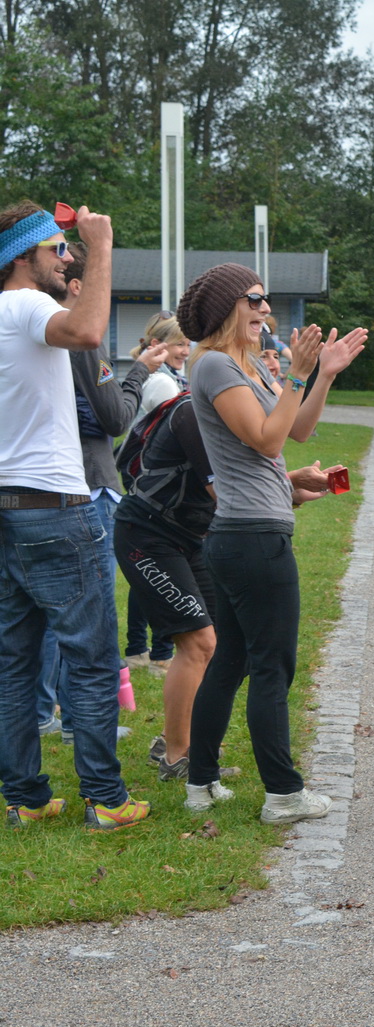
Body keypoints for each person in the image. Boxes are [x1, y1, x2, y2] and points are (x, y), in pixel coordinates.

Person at [180, 262, 368, 825]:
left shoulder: (244, 365)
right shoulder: (214, 364)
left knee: (233, 660)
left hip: (249, 534)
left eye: (266, 299)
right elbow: (266, 441)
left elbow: (296, 430)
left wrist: (322, 375)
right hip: (252, 539)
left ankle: (201, 782)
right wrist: (297, 373)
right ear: (227, 307)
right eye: (255, 299)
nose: (266, 309)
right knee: (272, 667)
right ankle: (283, 795)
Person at [0, 200, 150, 830]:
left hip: (8, 508)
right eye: (57, 249)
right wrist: (102, 246)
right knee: (89, 660)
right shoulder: (27, 305)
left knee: (15, 664)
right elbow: (89, 333)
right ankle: (107, 800)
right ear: (22, 257)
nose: (67, 260)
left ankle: (26, 799)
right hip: (55, 508)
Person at [114, 331, 251, 802]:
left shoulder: (222, 412)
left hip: (190, 536)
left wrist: (294, 484)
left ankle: (190, 746)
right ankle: (176, 756)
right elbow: (226, 491)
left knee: (218, 643)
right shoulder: (194, 413)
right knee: (198, 643)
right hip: (147, 535)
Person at [35, 244, 142, 745]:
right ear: (76, 286)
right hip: (89, 486)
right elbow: (115, 418)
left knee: (41, 616)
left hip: (40, 488)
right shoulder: (80, 336)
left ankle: (43, 714)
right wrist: (138, 375)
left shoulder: (35, 329)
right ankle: (80, 722)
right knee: (88, 614)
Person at [123, 315, 191, 678]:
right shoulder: (163, 383)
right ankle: (159, 652)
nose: (185, 351)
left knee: (146, 570)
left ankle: (141, 649)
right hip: (158, 490)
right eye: (179, 344)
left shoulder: (170, 378)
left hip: (150, 486)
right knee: (160, 569)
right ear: (157, 345)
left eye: (187, 344)